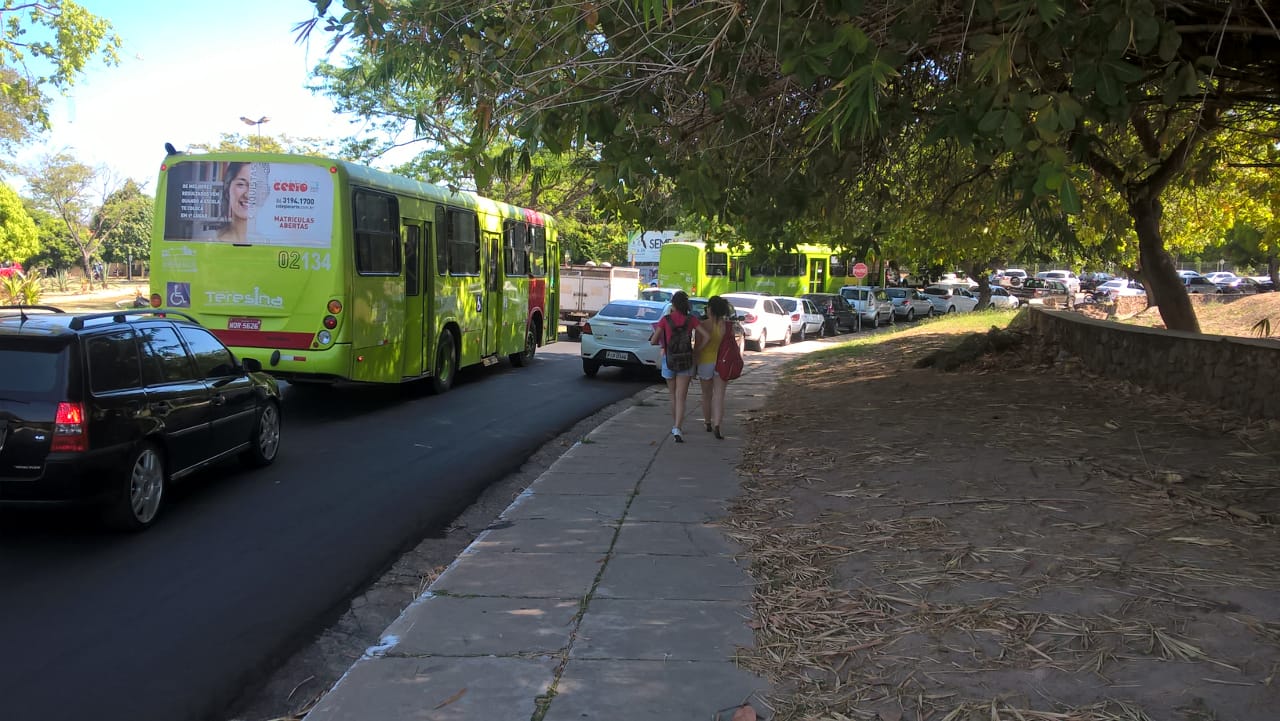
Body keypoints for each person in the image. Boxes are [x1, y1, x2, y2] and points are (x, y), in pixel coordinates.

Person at [651, 290, 709, 442]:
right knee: (681, 397)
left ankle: (675, 426)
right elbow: (707, 336)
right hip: (686, 360)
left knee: (672, 395)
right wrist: (696, 350)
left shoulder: (665, 319)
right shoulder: (691, 320)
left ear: (673, 304)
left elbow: (653, 341)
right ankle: (678, 427)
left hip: (669, 359)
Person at [696, 295, 736, 439]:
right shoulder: (727, 326)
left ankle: (707, 422)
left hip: (705, 362)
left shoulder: (703, 325)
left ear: (710, 309)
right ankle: (718, 424)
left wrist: (695, 361)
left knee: (706, 395)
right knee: (720, 396)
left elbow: (698, 347)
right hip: (722, 363)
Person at [216, 162, 268, 243]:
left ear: (266, 194)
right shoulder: (206, 239)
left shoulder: (268, 243)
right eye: (241, 184)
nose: (248, 195)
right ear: (227, 188)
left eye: (257, 186)